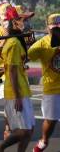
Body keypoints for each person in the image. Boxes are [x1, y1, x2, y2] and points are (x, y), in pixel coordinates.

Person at [0, 5, 35, 152]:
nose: (26, 23)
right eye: (23, 19)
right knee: (23, 131)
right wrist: (17, 96)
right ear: (14, 21)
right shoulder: (14, 43)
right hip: (16, 91)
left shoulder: (17, 40)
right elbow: (11, 71)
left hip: (23, 89)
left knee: (30, 130)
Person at [28, 13, 60, 152]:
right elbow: (27, 55)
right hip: (52, 87)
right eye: (55, 28)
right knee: (51, 120)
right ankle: (44, 140)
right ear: (48, 28)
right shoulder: (41, 44)